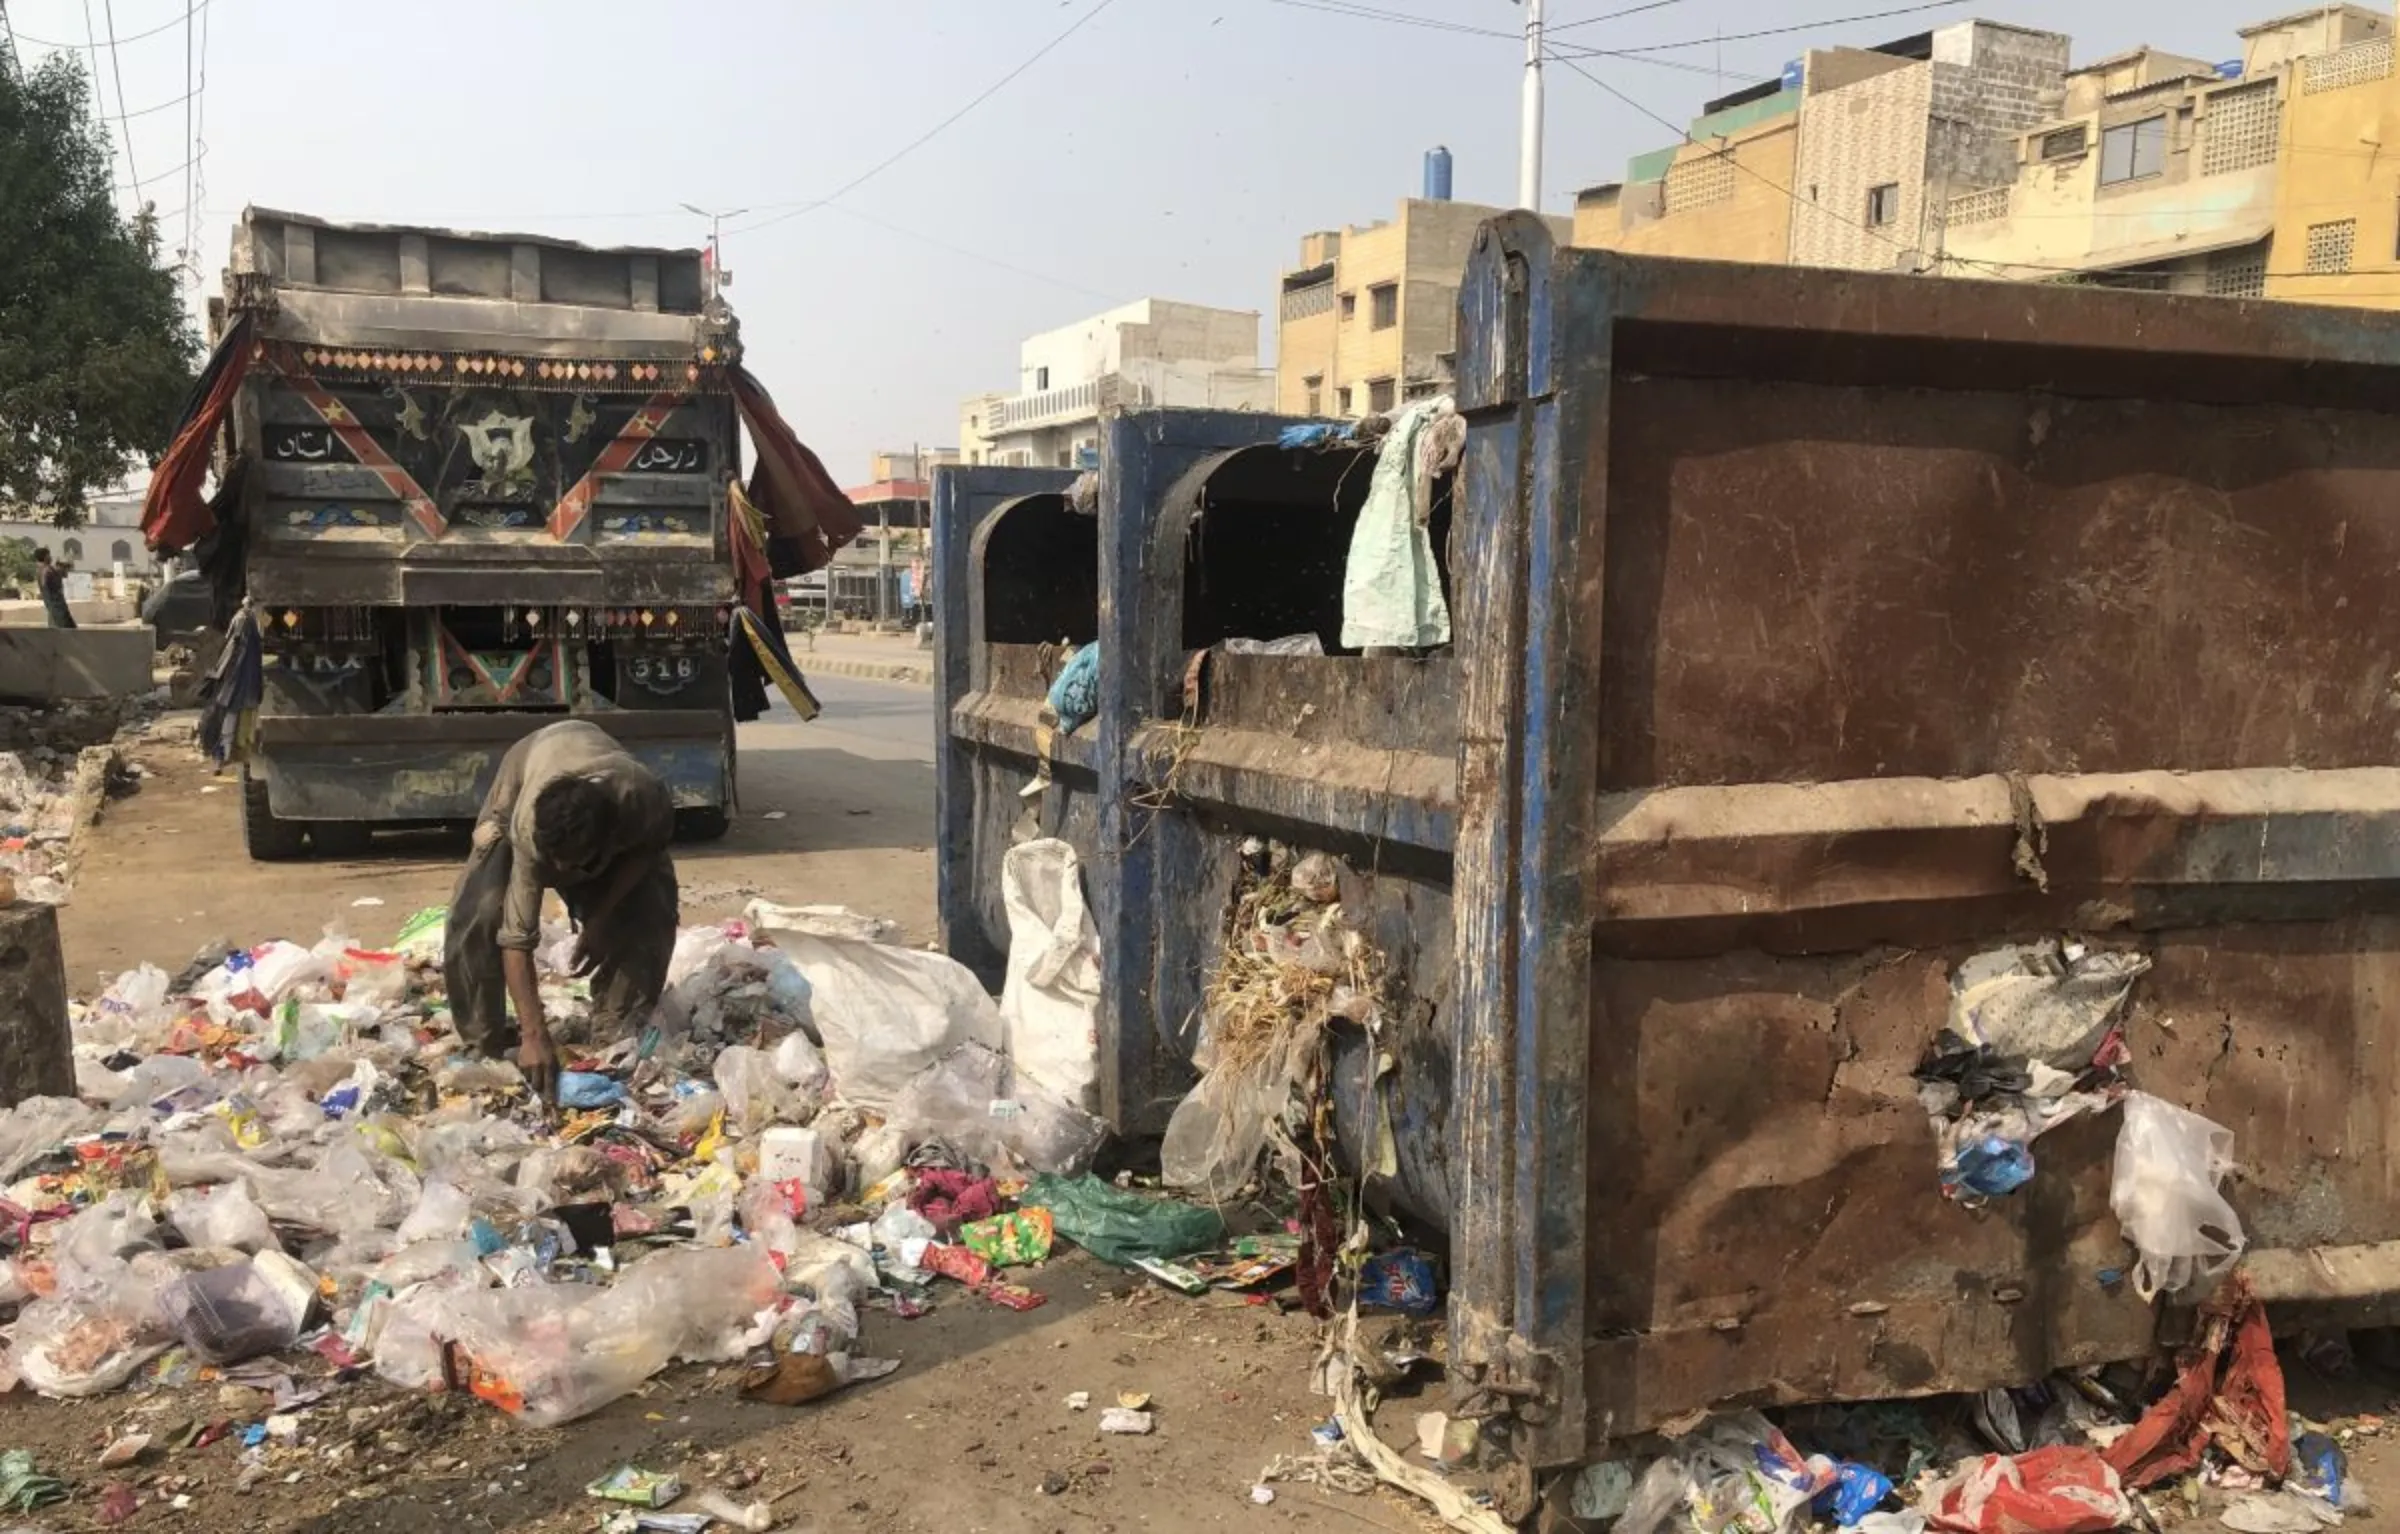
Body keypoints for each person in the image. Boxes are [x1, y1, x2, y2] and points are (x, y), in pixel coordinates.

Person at [442, 720, 679, 1100]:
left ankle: (617, 1029)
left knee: (651, 905)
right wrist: (533, 1034)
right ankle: (483, 1044)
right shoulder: (528, 829)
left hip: (609, 801)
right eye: (557, 866)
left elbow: (646, 852)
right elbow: (516, 940)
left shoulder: (640, 795)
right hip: (523, 773)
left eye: (574, 868)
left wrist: (599, 920)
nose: (563, 879)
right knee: (480, 912)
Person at [34, 550, 75, 629]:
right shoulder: (46, 570)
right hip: (57, 607)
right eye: (49, 555)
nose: (51, 557)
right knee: (65, 630)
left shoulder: (42, 569)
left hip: (54, 607)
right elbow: (45, 581)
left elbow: (62, 572)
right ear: (46, 557)